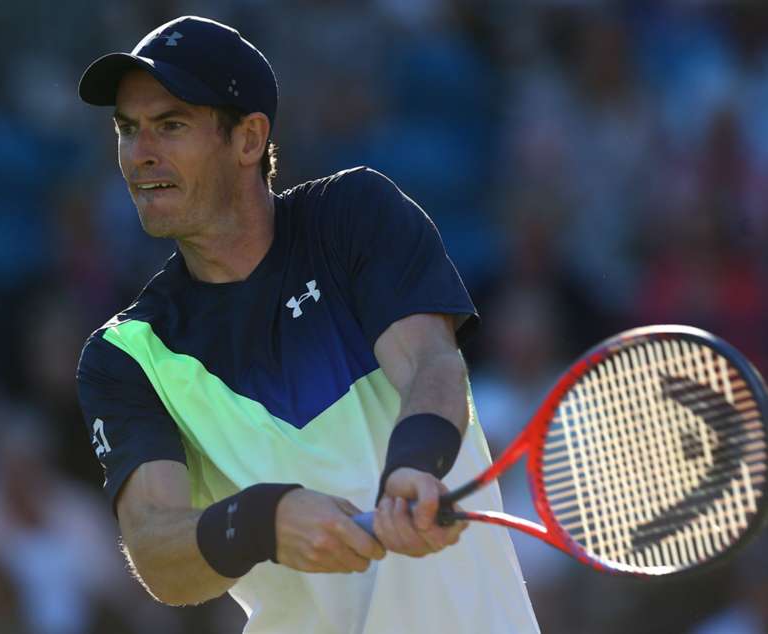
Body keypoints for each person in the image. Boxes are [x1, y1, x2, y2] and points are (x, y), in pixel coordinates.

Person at [75, 15, 538, 634]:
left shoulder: (354, 216)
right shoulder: (126, 354)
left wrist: (415, 464)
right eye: (127, 129)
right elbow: (158, 553)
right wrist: (261, 523)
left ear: (248, 139)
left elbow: (431, 362)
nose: (140, 154)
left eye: (171, 125)